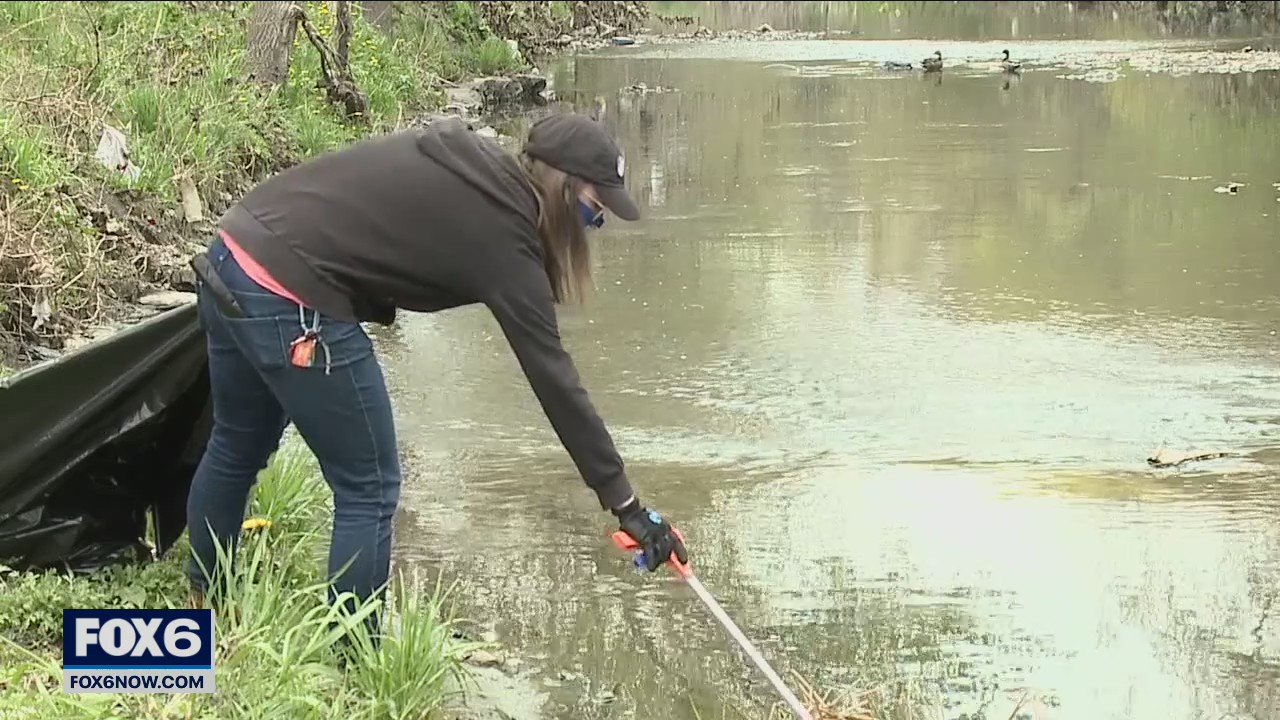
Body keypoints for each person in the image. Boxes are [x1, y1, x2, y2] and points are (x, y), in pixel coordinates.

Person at [185, 112, 689, 617]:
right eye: (592, 212)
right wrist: (626, 506)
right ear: (562, 189)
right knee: (370, 487)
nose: (592, 228)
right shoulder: (505, 237)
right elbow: (555, 381)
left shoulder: (479, 171)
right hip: (289, 296)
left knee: (236, 443)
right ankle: (353, 660)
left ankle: (207, 606)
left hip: (233, 252)